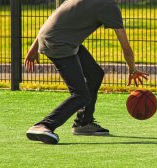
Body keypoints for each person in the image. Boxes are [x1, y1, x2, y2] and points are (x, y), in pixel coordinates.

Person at [24, 0, 148, 144]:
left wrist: (34, 47)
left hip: (57, 39)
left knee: (95, 74)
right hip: (59, 44)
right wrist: (132, 69)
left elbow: (53, 18)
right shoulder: (109, 7)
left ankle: (83, 123)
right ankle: (44, 125)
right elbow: (126, 48)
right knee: (81, 95)